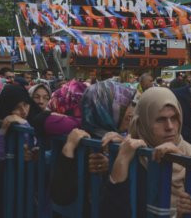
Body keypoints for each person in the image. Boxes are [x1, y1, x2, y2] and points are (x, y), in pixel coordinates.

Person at [101, 88, 191, 217]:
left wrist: (180, 161)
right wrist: (120, 157)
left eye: (174, 118)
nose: (170, 127)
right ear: (143, 122)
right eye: (160, 119)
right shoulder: (133, 156)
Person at [50, 81, 137, 211]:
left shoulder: (127, 139)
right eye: (125, 106)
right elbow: (61, 195)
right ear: (103, 108)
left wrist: (114, 163)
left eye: (131, 105)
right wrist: (69, 148)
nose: (132, 112)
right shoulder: (83, 142)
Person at [0, 84, 42, 217]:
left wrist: (24, 124)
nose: (23, 111)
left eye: (26, 104)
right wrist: (3, 130)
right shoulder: (4, 123)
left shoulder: (37, 117)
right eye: (16, 107)